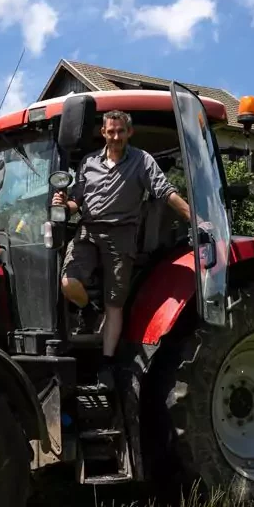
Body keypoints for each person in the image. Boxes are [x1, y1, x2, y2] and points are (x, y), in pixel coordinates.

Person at [52, 109, 193, 388]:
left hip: (122, 236)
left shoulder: (142, 161)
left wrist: (195, 218)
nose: (115, 136)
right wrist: (61, 203)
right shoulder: (89, 162)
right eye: (110, 131)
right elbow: (76, 203)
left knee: (115, 304)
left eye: (120, 131)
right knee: (68, 282)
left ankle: (106, 363)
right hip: (89, 230)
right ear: (103, 133)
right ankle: (89, 309)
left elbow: (165, 192)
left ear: (129, 133)